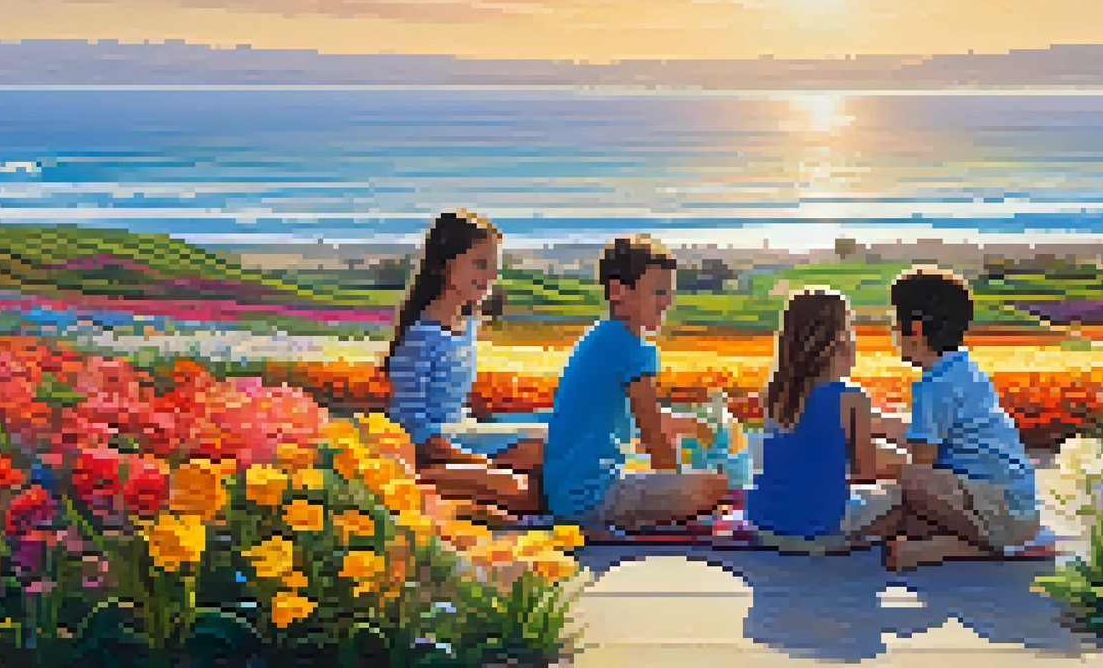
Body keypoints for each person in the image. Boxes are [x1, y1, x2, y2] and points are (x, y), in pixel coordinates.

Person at [541, 235, 729, 530]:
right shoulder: (633, 349)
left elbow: (642, 416)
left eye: (669, 292)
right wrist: (678, 485)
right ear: (618, 291)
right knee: (714, 487)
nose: (666, 302)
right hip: (592, 498)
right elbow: (653, 436)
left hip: (565, 493)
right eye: (658, 292)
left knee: (683, 467)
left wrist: (690, 426)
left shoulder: (601, 337)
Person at [874, 266, 1041, 570]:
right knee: (905, 516)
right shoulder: (963, 368)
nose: (892, 334)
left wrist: (873, 459)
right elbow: (930, 433)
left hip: (1003, 513)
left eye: (894, 325)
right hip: (1018, 504)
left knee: (908, 483)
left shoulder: (932, 387)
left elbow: (921, 462)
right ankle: (960, 544)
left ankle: (956, 550)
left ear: (916, 330)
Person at [385, 209, 544, 514]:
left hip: (464, 435)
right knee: (527, 490)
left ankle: (472, 493)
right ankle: (428, 491)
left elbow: (460, 409)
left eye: (494, 267)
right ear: (445, 265)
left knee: (552, 443)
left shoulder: (466, 323)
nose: (489, 277)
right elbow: (414, 431)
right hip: (434, 452)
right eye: (480, 264)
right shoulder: (420, 338)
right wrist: (480, 464)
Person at [746, 287, 904, 555]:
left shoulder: (775, 393)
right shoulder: (853, 398)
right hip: (820, 529)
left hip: (765, 524)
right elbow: (864, 474)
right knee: (904, 502)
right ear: (840, 342)